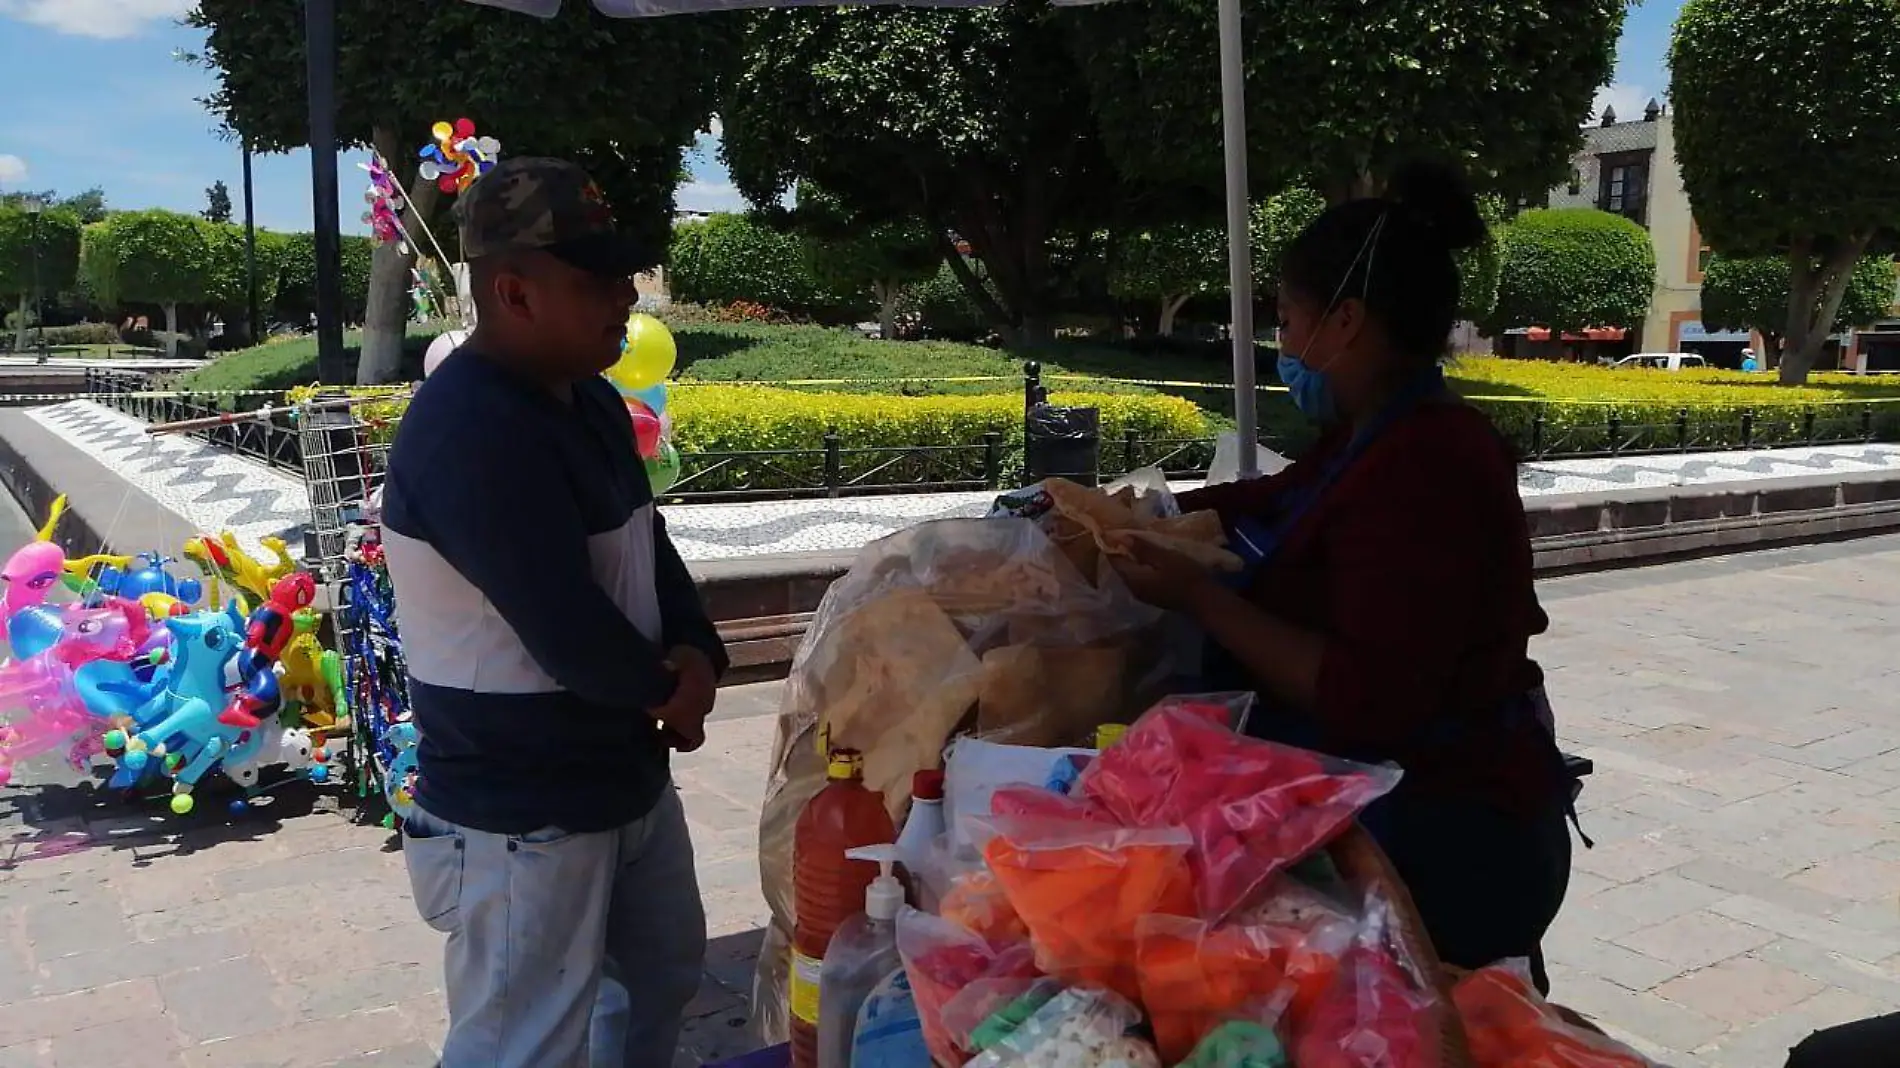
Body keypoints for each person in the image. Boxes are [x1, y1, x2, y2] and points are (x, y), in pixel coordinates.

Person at [1111, 160, 1577, 991]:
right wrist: (1147, 511)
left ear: (1347, 321)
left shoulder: (1433, 463)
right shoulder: (1366, 436)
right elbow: (1274, 496)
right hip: (1398, 818)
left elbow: (1368, 694)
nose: (1283, 346)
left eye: (1288, 321)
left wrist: (1197, 597)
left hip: (1447, 846)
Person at [380, 156, 728, 1068]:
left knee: (655, 981)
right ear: (513, 292)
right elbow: (564, 625)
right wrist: (672, 687)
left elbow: (646, 545)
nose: (625, 299)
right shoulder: (472, 430)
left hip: (620, 771)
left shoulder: (591, 403)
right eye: (596, 280)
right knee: (520, 1041)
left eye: (623, 276)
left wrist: (695, 648)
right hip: (522, 807)